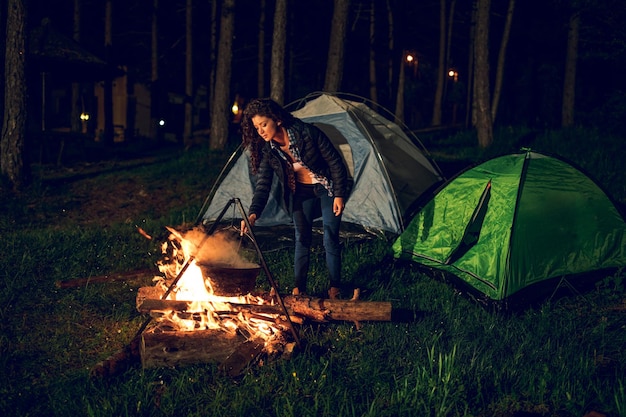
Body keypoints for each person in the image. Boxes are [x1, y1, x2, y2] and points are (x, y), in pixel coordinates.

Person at [239, 98, 351, 299]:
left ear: (277, 120)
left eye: (264, 124)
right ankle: (299, 289)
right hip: (301, 192)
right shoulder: (269, 150)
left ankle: (335, 288)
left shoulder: (307, 133)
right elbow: (263, 185)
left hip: (327, 188)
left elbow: (335, 163)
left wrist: (339, 195)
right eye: (257, 128)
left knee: (330, 237)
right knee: (302, 238)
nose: (261, 131)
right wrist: (253, 213)